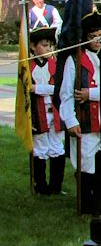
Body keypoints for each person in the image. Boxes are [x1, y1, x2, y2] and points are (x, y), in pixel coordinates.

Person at [59, 9, 101, 214]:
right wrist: (70, 120)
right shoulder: (75, 60)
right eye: (92, 37)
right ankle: (86, 203)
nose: (97, 40)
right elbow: (66, 94)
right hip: (85, 119)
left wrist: (91, 93)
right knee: (85, 162)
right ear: (85, 38)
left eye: (100, 36)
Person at [29, 26, 65, 195]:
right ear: (33, 46)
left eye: (51, 45)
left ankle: (56, 186)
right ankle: (41, 186)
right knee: (40, 147)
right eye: (44, 45)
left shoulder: (57, 65)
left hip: (55, 113)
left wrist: (37, 88)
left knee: (57, 146)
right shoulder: (28, 67)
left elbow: (57, 88)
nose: (49, 49)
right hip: (38, 113)